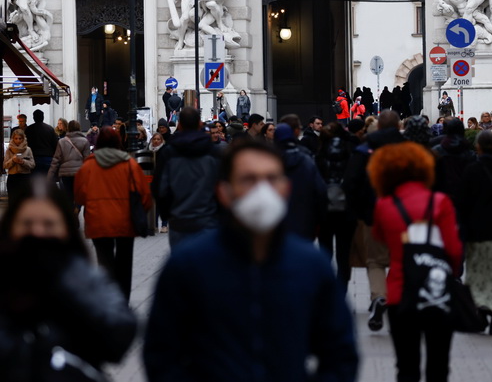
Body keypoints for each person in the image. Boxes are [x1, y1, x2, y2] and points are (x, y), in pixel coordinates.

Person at [143, 139, 359, 382]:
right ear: (224, 191)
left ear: (285, 188)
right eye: (248, 180)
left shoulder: (311, 265)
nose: (262, 190)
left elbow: (340, 353)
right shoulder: (189, 265)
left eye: (271, 178)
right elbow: (161, 354)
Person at [0, 179, 137, 382]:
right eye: (27, 223)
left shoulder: (87, 281)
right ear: (11, 228)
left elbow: (118, 338)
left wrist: (72, 282)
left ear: (66, 229)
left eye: (49, 224)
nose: (37, 232)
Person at [370, 142, 462, 382]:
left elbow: (380, 237)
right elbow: (453, 250)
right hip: (437, 291)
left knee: (406, 367)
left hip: (401, 291)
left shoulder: (384, 205)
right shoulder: (440, 202)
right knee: (438, 367)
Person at [342, 110, 404, 332]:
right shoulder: (409, 148)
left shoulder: (364, 149)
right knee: (402, 259)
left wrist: (359, 210)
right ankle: (399, 299)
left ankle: (379, 296)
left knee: (375, 261)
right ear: (398, 126)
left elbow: (350, 182)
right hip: (404, 214)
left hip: (373, 214)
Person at [74, 128, 151, 302]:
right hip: (125, 221)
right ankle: (123, 300)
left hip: (98, 219)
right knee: (125, 263)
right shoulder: (129, 164)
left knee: (104, 261)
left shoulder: (89, 166)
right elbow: (144, 194)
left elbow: (79, 195)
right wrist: (140, 213)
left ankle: (108, 301)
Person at [456, 131, 492, 335]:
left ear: (478, 147)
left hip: (477, 232)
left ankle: (481, 313)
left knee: (479, 276)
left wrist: (462, 230)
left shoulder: (472, 171)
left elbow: (462, 204)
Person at [152, 107, 222, 249]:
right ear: (199, 124)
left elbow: (159, 186)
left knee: (182, 264)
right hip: (207, 218)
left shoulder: (168, 152)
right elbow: (223, 185)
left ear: (180, 125)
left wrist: (167, 214)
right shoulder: (213, 151)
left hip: (179, 219)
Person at [317, 122, 358, 286]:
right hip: (346, 209)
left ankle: (325, 283)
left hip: (324, 208)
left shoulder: (319, 153)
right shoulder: (351, 152)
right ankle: (343, 285)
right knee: (344, 251)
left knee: (325, 249)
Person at [274, 123, 328, 241]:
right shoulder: (305, 159)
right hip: (305, 218)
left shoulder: (270, 160)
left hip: (277, 218)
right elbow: (320, 190)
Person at [48, 120, 91, 212]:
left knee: (68, 194)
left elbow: (56, 160)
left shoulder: (62, 141)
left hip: (65, 173)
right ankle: (77, 207)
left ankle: (71, 213)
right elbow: (87, 160)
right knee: (79, 193)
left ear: (68, 128)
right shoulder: (85, 141)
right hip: (79, 172)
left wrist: (49, 175)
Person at [3, 128, 35, 203]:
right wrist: (13, 160)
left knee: (25, 201)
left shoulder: (28, 150)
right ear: (13, 139)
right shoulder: (9, 150)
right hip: (13, 178)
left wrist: (23, 162)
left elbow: (32, 164)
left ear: (23, 139)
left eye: (20, 138)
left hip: (25, 177)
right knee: (13, 201)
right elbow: (5, 165)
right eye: (16, 138)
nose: (18, 140)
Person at [25, 109, 59, 174]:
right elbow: (55, 144)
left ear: (34, 118)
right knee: (47, 180)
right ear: (43, 117)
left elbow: (25, 144)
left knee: (35, 180)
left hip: (33, 157)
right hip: (48, 158)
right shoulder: (50, 129)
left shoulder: (29, 129)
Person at [148, 133, 169, 233]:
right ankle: (155, 224)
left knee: (163, 203)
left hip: (162, 179)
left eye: (158, 139)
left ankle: (164, 224)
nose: (156, 141)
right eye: (154, 139)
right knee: (153, 204)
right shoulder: (149, 150)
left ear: (162, 140)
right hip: (151, 179)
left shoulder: (165, 151)